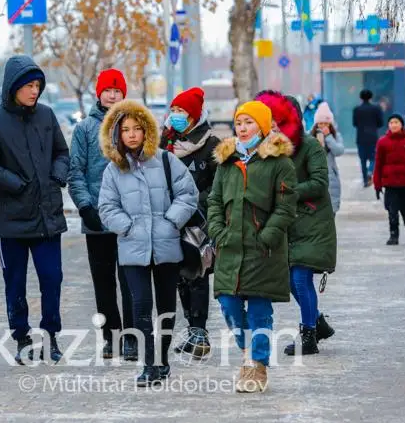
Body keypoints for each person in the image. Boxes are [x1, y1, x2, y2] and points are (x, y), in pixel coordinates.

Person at [0, 55, 70, 365]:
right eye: (29, 85)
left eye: (38, 85)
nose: (34, 91)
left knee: (52, 278)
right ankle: (22, 336)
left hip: (47, 217)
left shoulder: (46, 115)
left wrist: (57, 175)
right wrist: (16, 183)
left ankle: (51, 335)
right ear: (14, 86)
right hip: (12, 219)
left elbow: (61, 153)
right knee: (15, 282)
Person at [98, 100, 198, 387]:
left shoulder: (166, 161)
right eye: (125, 129)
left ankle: (162, 359)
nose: (131, 135)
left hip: (166, 247)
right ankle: (148, 363)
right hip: (132, 249)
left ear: (147, 131)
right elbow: (106, 207)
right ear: (116, 135)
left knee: (166, 307)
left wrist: (170, 221)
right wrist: (127, 226)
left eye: (137, 129)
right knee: (141, 306)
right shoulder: (113, 171)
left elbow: (187, 194)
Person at [207, 101, 297, 393]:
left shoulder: (279, 162)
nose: (242, 128)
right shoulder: (227, 160)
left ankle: (257, 366)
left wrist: (266, 237)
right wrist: (218, 232)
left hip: (263, 251)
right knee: (228, 305)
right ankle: (249, 353)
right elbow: (214, 202)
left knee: (259, 310)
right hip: (230, 248)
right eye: (239, 122)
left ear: (263, 126)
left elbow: (285, 207)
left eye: (249, 122)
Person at [255, 91, 337, 357]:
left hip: (312, 222)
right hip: (287, 224)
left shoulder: (311, 145)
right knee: (292, 281)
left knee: (300, 279)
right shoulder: (267, 146)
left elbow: (319, 183)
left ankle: (309, 337)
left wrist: (286, 190)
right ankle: (317, 322)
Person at [67, 68, 135, 361]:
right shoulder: (84, 130)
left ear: (124, 94)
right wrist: (85, 207)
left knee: (132, 280)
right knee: (103, 283)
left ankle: (133, 338)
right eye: (107, 89)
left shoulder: (133, 125)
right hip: (96, 218)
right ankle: (112, 337)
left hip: (130, 220)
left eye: (117, 90)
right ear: (99, 93)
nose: (111, 95)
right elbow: (76, 171)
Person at [159, 87, 220, 359]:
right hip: (171, 220)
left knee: (198, 274)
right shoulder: (165, 144)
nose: (175, 116)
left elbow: (218, 185)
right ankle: (192, 334)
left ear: (194, 116)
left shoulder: (211, 145)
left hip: (199, 220)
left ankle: (200, 333)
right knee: (179, 278)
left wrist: (195, 205)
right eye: (173, 111)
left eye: (181, 112)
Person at [374, 114, 405, 245]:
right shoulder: (383, 142)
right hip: (389, 183)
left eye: (396, 122)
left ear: (401, 124)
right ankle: (393, 235)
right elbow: (378, 165)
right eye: (391, 122)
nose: (394, 125)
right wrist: (377, 185)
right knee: (392, 210)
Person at [310, 102, 345, 214]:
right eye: (320, 124)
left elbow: (339, 151)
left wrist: (329, 137)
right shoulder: (309, 136)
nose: (323, 127)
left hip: (331, 177)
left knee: (331, 212)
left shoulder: (335, 136)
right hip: (313, 176)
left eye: (326, 124)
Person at [352, 89, 384, 187]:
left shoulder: (357, 109)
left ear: (360, 97)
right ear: (371, 97)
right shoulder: (376, 108)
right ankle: (370, 171)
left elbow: (355, 123)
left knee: (362, 159)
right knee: (373, 157)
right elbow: (380, 123)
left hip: (361, 137)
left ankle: (365, 179)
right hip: (373, 137)